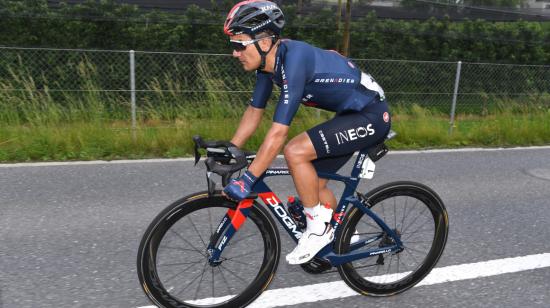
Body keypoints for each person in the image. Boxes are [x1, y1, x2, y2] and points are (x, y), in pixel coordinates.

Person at [222, 0, 391, 265]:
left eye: (238, 44)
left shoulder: (294, 61)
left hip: (370, 114)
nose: (235, 53)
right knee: (313, 185)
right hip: (351, 114)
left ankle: (319, 230)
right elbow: (254, 112)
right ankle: (346, 235)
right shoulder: (268, 67)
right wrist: (230, 150)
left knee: (294, 150)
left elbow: (278, 133)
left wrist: (248, 178)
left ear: (264, 42)